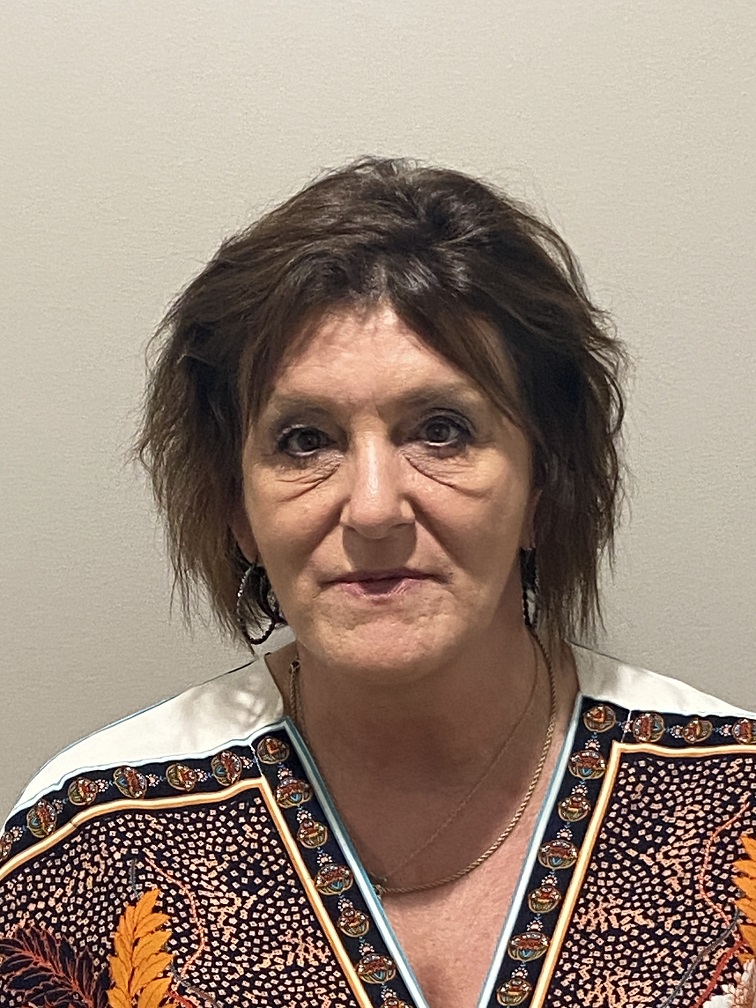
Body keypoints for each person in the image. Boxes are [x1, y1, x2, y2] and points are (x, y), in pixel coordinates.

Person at [1, 158, 755, 1008]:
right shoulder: (91, 843)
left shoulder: (734, 799)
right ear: (238, 509)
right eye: (304, 441)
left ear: (545, 486)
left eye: (442, 431)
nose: (371, 508)